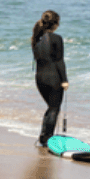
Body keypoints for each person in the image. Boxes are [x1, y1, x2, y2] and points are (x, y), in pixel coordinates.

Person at [32, 10, 68, 146]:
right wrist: (64, 80)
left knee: (51, 107)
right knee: (54, 108)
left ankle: (44, 136)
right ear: (56, 24)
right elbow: (59, 61)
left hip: (39, 79)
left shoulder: (36, 39)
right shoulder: (56, 38)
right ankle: (47, 138)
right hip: (53, 79)